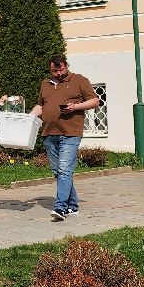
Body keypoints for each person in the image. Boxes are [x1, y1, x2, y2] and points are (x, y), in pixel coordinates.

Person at [30, 55, 99, 221]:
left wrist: (75, 106)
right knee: (59, 172)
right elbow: (41, 105)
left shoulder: (79, 80)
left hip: (70, 133)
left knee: (64, 170)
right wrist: (27, 118)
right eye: (54, 70)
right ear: (50, 69)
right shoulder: (45, 83)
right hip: (49, 133)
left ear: (66, 66)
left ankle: (60, 208)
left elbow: (95, 101)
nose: (58, 73)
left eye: (61, 70)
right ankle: (72, 206)